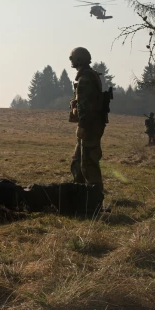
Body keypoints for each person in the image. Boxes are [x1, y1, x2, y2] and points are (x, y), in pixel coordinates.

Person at [68, 47, 105, 198]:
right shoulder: (88, 76)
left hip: (89, 126)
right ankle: (80, 197)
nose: (71, 61)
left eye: (72, 58)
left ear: (79, 59)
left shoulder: (86, 79)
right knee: (77, 162)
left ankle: (94, 201)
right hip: (90, 125)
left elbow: (87, 106)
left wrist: (82, 125)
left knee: (88, 164)